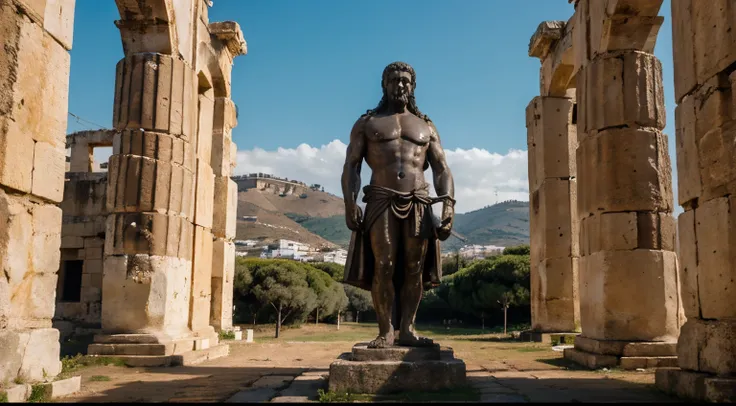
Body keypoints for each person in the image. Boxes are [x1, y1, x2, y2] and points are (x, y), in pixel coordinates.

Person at [341, 61, 455, 348]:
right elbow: (351, 166)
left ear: (413, 86)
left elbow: (442, 168)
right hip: (381, 199)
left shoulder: (426, 126)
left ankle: (407, 329)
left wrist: (448, 206)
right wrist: (349, 202)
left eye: (405, 80)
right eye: (394, 80)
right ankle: (385, 331)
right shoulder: (367, 123)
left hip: (418, 200)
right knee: (385, 264)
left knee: (414, 266)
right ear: (384, 85)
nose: (400, 84)